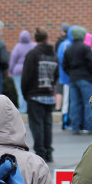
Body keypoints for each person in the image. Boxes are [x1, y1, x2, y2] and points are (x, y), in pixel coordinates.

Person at [21, 27, 58, 162]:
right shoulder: (53, 55)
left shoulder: (33, 54)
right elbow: (56, 74)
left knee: (37, 125)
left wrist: (25, 93)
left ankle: (40, 152)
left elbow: (26, 76)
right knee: (47, 125)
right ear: (47, 38)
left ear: (35, 39)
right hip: (48, 94)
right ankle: (48, 152)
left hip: (35, 95)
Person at [62, 26, 92, 135]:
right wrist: (90, 74)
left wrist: (71, 73)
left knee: (74, 103)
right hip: (85, 78)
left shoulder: (68, 49)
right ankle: (89, 127)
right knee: (88, 103)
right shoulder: (86, 48)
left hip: (73, 78)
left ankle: (75, 127)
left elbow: (64, 65)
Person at [8, 30, 36, 113]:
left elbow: (12, 60)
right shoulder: (34, 46)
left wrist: (10, 71)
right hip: (31, 71)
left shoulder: (18, 47)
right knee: (31, 90)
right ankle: (31, 108)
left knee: (20, 91)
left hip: (18, 72)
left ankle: (23, 109)